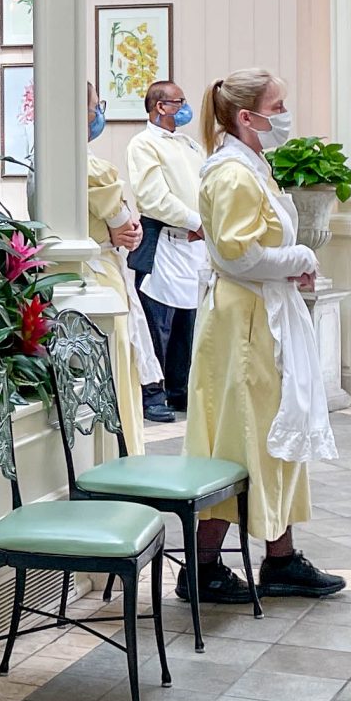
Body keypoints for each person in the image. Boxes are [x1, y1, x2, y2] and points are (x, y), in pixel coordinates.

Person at [185, 69, 345, 602]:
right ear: (246, 117)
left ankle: (280, 556)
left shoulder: (252, 166)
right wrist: (298, 259)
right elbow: (239, 254)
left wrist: (290, 269)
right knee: (242, 434)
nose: (284, 116)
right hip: (246, 323)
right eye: (277, 107)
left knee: (274, 429)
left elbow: (256, 252)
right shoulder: (233, 173)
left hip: (258, 311)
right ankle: (202, 566)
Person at [84, 84, 162, 445]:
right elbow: (125, 225)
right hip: (98, 278)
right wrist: (126, 226)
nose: (98, 113)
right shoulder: (88, 167)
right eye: (95, 106)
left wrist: (127, 227)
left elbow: (125, 226)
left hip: (94, 270)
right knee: (116, 368)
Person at [127, 80, 207, 424]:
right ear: (160, 106)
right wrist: (195, 220)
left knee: (187, 324)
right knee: (156, 327)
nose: (184, 107)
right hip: (164, 243)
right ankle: (153, 394)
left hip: (194, 245)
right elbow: (153, 198)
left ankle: (179, 389)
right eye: (179, 101)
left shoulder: (189, 145)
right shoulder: (143, 144)